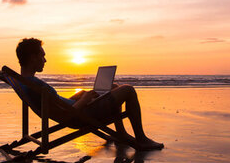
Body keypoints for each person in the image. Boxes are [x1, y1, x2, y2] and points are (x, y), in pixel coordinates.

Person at [15, 38, 163, 150]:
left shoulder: (24, 82)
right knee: (128, 90)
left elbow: (58, 105)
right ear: (33, 57)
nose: (45, 60)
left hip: (77, 108)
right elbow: (65, 116)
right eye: (42, 56)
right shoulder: (35, 85)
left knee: (114, 86)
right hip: (80, 116)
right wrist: (84, 100)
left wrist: (79, 96)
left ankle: (121, 134)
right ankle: (141, 139)